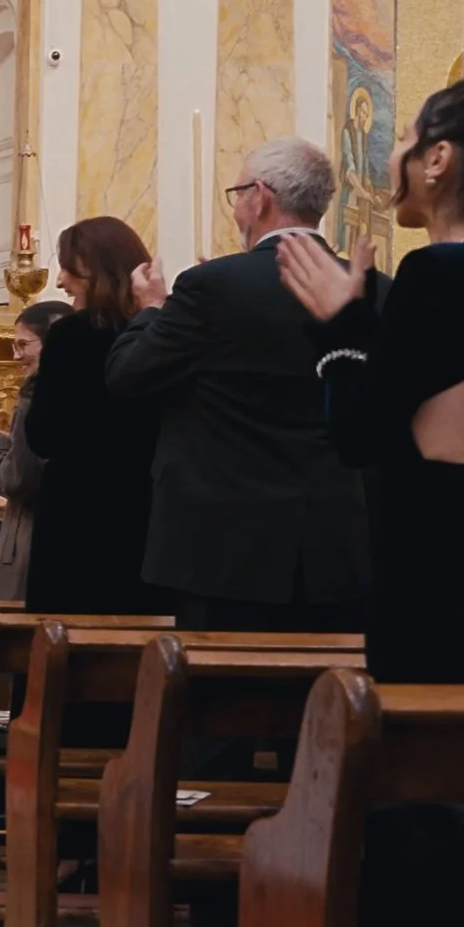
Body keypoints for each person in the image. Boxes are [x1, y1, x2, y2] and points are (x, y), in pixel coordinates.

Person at [278, 65, 464, 684]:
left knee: (427, 772)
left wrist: (339, 326)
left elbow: (358, 435)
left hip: (437, 570)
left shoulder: (440, 274)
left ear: (438, 158)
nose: (391, 157)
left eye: (403, 139)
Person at [106, 138, 369, 633]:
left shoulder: (212, 286)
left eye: (236, 193)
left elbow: (129, 376)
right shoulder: (370, 285)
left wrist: (151, 311)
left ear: (260, 197)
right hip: (334, 545)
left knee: (222, 702)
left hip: (222, 549)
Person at [21, 218, 170, 616]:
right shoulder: (166, 332)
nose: (60, 280)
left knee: (64, 651)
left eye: (69, 268)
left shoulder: (72, 335)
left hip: (78, 517)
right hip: (149, 513)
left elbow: (42, 435)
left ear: (94, 270)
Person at [0, 299, 69, 602]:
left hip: (32, 537)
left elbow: (17, 481)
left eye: (23, 345)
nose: (16, 355)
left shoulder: (37, 392)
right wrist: (13, 441)